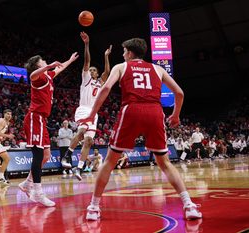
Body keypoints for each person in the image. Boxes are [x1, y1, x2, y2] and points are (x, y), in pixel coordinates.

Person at [78, 38, 202, 221]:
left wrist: (91, 114)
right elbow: (180, 93)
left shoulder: (121, 67)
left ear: (129, 52)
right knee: (165, 163)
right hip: (154, 111)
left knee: (110, 161)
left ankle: (94, 207)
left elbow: (105, 90)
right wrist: (175, 115)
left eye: (123, 52)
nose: (122, 55)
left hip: (131, 110)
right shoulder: (158, 69)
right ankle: (189, 205)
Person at [18, 51, 78, 207]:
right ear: (38, 65)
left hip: (41, 120)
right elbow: (32, 76)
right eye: (42, 61)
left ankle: (27, 183)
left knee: (46, 155)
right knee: (38, 156)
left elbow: (60, 68)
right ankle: (38, 193)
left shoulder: (48, 75)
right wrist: (49, 66)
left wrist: (70, 60)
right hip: (34, 118)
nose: (45, 61)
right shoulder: (37, 78)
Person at [61, 31, 112, 181]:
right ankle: (67, 156)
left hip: (93, 113)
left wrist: (106, 56)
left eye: (93, 70)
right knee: (82, 131)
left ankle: (79, 167)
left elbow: (107, 73)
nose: (90, 71)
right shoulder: (86, 79)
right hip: (83, 109)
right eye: (90, 70)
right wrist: (87, 44)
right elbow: (86, 61)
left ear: (96, 74)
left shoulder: (99, 82)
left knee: (89, 141)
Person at [0, 109, 14, 184]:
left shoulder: (7, 122)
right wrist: (8, 136)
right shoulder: (2, 121)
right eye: (7, 114)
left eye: (10, 114)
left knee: (5, 159)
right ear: (4, 114)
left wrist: (2, 137)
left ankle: (0, 176)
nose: (9, 115)